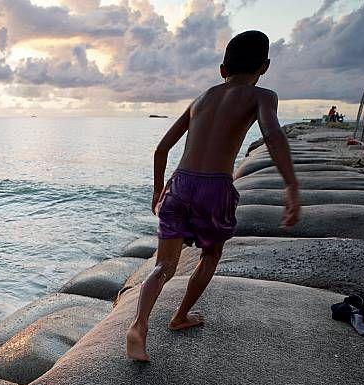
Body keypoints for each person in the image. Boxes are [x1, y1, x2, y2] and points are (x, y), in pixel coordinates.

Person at [125, 30, 301, 362]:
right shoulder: (262, 95)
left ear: (222, 69)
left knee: (163, 265)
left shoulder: (201, 98)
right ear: (264, 66)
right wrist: (291, 185)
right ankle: (179, 316)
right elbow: (273, 133)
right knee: (210, 255)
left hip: (180, 184)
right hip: (215, 187)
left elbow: (162, 148)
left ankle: (138, 326)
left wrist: (158, 189)